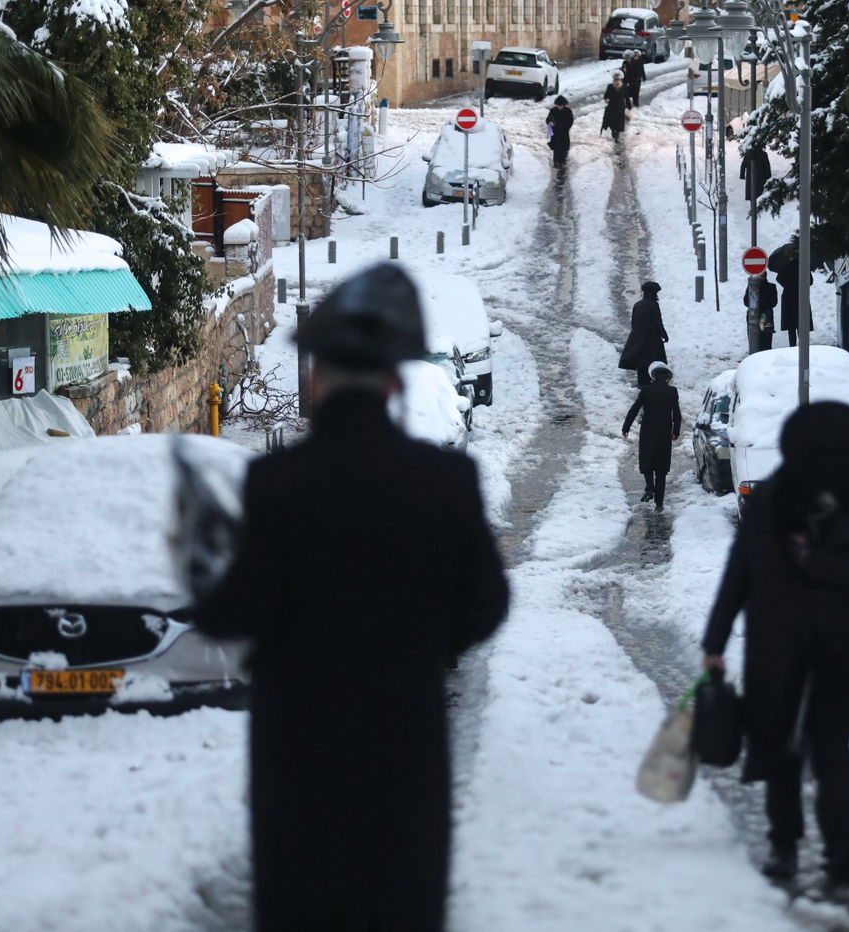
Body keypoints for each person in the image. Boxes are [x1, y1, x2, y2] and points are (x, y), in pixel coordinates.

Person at [193, 263, 510, 932]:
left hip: (298, 753)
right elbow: (487, 604)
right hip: (406, 744)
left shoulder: (275, 483)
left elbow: (233, 615)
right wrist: (427, 648)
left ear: (316, 380)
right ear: (396, 381)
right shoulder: (446, 479)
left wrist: (201, 566)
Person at [701, 402, 849, 895]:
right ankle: (797, 846)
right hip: (802, 643)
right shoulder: (812, 502)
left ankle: (831, 849)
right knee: (793, 751)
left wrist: (806, 558)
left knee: (815, 752)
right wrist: (714, 639)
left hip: (816, 645)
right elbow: (742, 569)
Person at [622, 361, 680, 512]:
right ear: (667, 378)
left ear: (653, 377)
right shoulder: (672, 392)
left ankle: (649, 487)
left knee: (647, 460)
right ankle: (659, 504)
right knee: (661, 468)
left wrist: (626, 426)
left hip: (648, 431)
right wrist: (676, 431)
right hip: (664, 432)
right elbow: (677, 414)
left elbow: (635, 409)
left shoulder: (646, 390)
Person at [618, 281, 668, 386]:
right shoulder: (653, 305)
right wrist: (664, 334)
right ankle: (654, 381)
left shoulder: (637, 304)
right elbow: (657, 321)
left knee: (641, 362)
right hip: (652, 339)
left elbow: (633, 322)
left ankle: (642, 382)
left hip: (638, 338)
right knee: (654, 361)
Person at [776, 245, 812, 347]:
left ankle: (792, 346)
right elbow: (810, 281)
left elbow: (779, 279)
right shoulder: (803, 266)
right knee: (802, 324)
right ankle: (803, 345)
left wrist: (787, 285)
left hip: (789, 298)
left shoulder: (786, 267)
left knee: (791, 326)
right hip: (802, 297)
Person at [744, 272, 777, 355]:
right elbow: (773, 303)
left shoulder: (768, 287)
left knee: (759, 340)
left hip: (761, 316)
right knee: (763, 341)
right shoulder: (770, 287)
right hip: (764, 316)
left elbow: (746, 302)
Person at [545, 95, 574, 169]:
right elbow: (548, 119)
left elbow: (570, 121)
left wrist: (566, 127)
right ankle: (556, 162)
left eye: (561, 105)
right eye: (558, 105)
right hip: (555, 133)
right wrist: (550, 122)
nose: (559, 107)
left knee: (563, 148)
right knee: (556, 148)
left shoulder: (568, 111)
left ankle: (562, 161)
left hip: (564, 132)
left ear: (564, 105)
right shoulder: (553, 110)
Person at [601, 72, 629, 142]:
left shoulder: (624, 86)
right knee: (613, 121)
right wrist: (606, 99)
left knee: (619, 121)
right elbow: (606, 95)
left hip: (620, 106)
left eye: (618, 79)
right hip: (612, 106)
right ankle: (613, 131)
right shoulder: (610, 86)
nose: (616, 80)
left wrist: (629, 106)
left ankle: (617, 135)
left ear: (620, 79)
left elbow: (627, 97)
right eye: (615, 79)